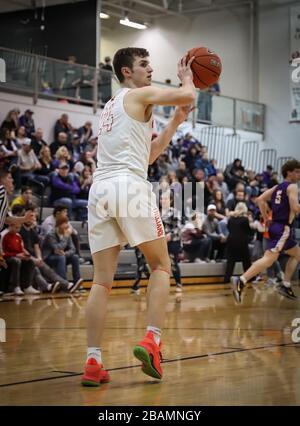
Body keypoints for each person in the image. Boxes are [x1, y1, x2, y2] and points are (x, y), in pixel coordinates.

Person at [81, 47, 195, 386]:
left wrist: (175, 121)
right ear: (126, 72)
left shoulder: (112, 107)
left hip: (100, 190)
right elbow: (187, 93)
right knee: (161, 267)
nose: (150, 69)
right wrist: (187, 74)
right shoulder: (139, 93)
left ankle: (92, 361)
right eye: (144, 64)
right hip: (128, 187)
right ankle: (152, 339)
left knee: (102, 281)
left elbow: (148, 155)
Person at [232, 159, 300, 303]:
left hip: (276, 226)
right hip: (283, 229)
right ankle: (241, 280)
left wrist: (265, 218)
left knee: (297, 254)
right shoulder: (293, 187)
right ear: (289, 172)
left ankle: (285, 284)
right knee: (269, 259)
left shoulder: (277, 188)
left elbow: (260, 199)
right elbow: (295, 208)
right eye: (297, 171)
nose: (299, 175)